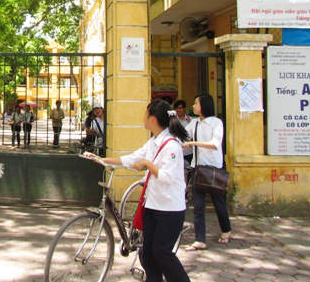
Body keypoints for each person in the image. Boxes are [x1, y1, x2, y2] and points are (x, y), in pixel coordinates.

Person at [99, 99, 191, 282]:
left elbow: (167, 177)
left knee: (162, 252)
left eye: (145, 114)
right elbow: (133, 158)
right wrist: (103, 160)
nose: (143, 117)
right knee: (147, 253)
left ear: (153, 119)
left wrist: (148, 164)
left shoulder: (172, 146)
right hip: (152, 206)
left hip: (169, 209)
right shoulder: (153, 142)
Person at [184, 94, 232, 251]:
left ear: (204, 105)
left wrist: (193, 143)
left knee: (219, 203)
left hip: (213, 169)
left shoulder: (216, 123)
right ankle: (200, 239)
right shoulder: (195, 123)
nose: (193, 106)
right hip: (198, 168)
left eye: (196, 103)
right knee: (198, 206)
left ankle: (226, 230)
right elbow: (182, 134)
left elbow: (215, 144)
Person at [173, 99, 193, 166]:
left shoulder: (190, 120)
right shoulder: (173, 120)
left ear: (184, 109)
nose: (178, 110)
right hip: (176, 151)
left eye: (180, 108)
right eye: (176, 108)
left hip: (188, 152)